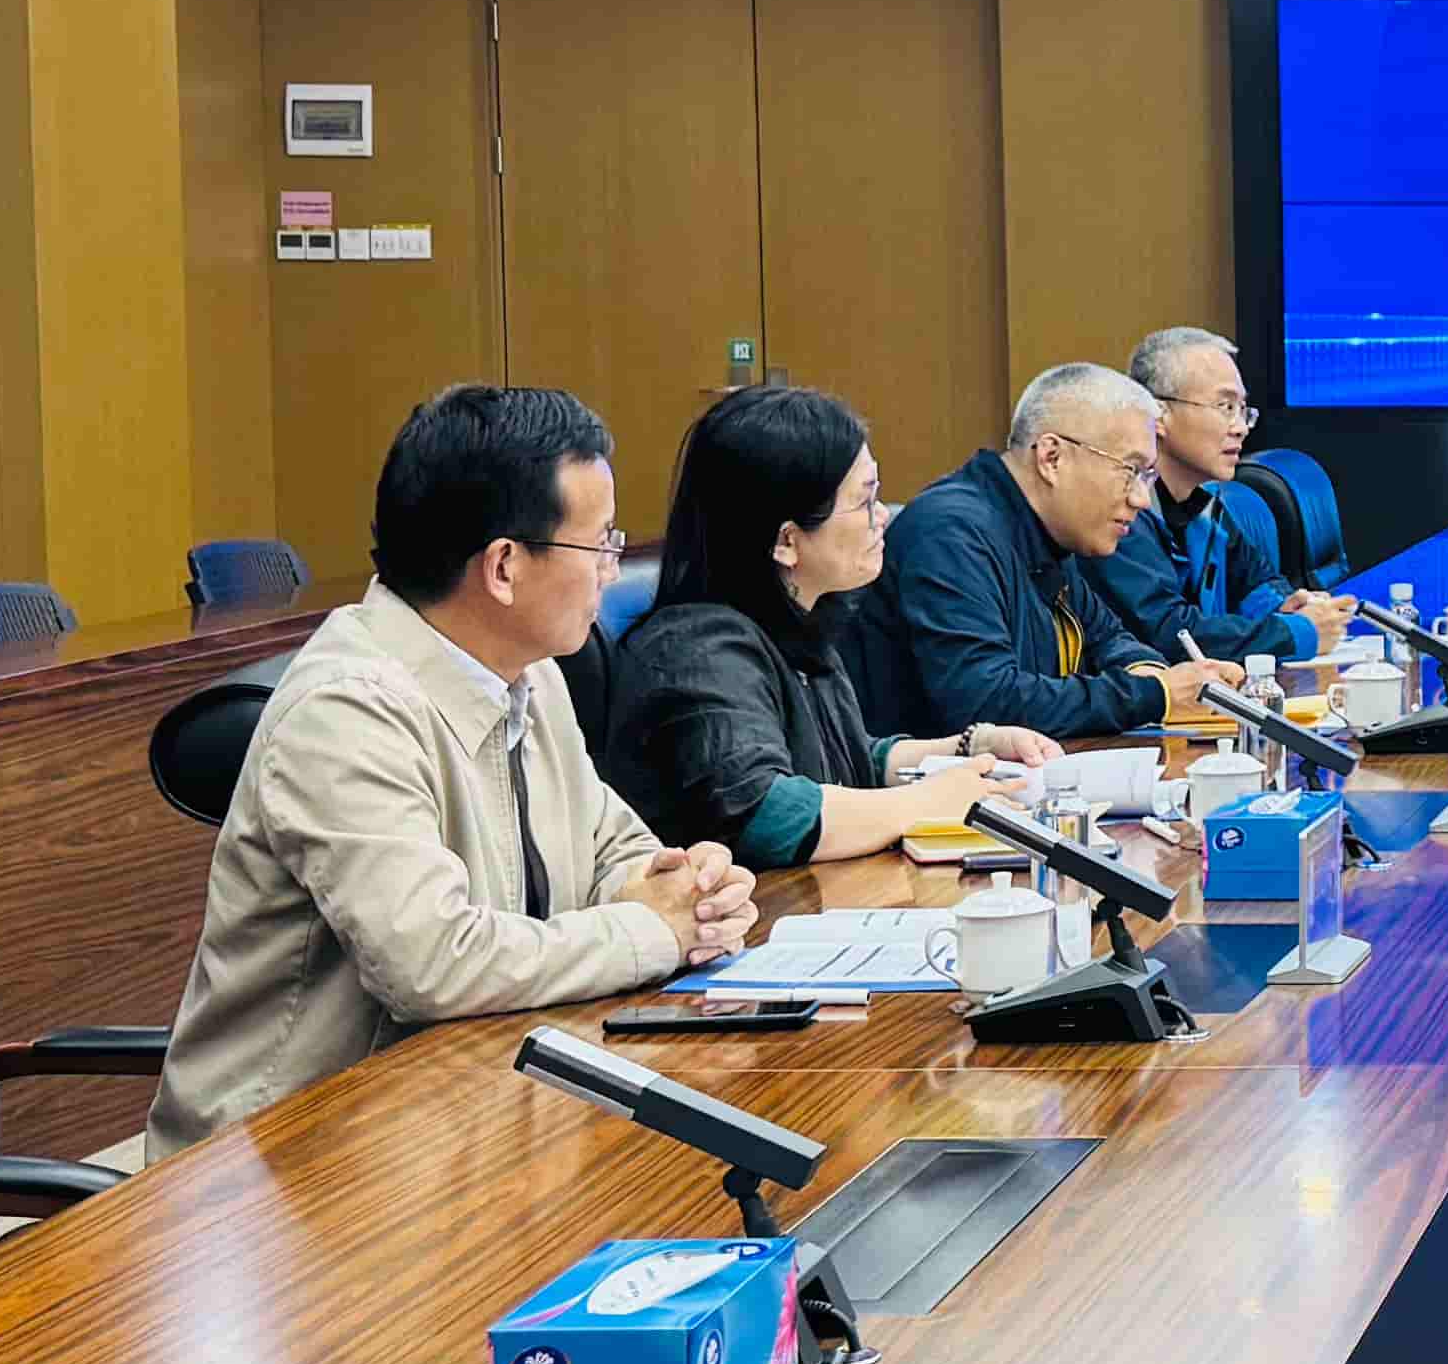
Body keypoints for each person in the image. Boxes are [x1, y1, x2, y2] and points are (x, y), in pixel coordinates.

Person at [151, 385, 756, 1157]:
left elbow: (610, 844)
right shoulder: (346, 711)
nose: (612, 570)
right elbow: (432, 963)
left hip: (460, 1109)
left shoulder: (529, 673)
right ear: (504, 566)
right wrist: (653, 929)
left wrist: (689, 892)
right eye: (601, 544)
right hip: (281, 1163)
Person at [605, 383, 1059, 865]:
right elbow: (766, 813)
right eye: (864, 501)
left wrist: (970, 748)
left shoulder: (797, 619)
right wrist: (927, 801)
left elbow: (845, 758)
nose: (881, 516)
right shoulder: (697, 649)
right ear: (786, 541)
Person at [845, 361, 1240, 747]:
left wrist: (1160, 679)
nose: (1140, 498)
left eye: (1147, 476)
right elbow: (986, 703)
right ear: (1052, 458)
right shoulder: (951, 533)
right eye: (1130, 471)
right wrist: (1156, 694)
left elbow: (1109, 638)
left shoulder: (1046, 531)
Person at [1101, 327, 1353, 667]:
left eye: (1243, 409)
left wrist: (1289, 606)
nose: (1240, 427)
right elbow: (1170, 633)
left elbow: (1254, 582)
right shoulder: (1120, 515)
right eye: (1225, 407)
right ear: (1158, 416)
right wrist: (1295, 633)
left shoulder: (1205, 504)